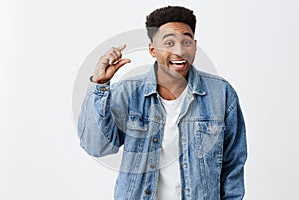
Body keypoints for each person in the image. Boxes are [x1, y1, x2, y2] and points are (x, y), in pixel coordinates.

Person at [78, 5, 247, 200]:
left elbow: (233, 164)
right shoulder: (128, 92)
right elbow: (95, 146)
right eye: (168, 42)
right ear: (152, 50)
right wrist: (100, 84)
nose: (180, 51)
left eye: (186, 41)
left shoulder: (221, 93)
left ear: (195, 45)